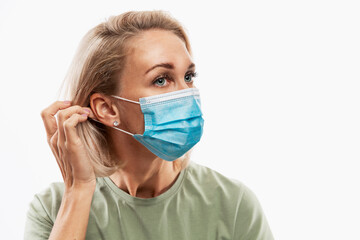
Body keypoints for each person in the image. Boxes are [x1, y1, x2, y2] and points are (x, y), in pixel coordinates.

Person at [24, 10, 274, 240]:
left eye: (188, 77)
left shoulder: (232, 204)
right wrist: (78, 191)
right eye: (161, 80)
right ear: (107, 108)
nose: (186, 94)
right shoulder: (53, 209)